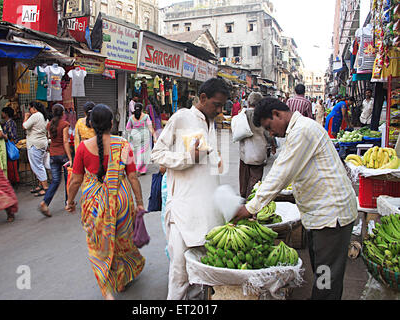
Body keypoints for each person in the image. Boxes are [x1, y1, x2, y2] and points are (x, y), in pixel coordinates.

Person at [232, 98, 357, 300]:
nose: (271, 134)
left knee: (326, 276)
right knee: (321, 272)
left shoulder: (303, 131)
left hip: (332, 216)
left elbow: (281, 172)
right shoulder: (298, 131)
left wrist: (251, 207)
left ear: (277, 114)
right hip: (321, 216)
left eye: (269, 127)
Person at [151, 78, 228, 300]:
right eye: (217, 104)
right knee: (180, 274)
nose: (220, 110)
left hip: (207, 214)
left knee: (200, 274)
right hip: (184, 213)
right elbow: (157, 154)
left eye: (223, 105)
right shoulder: (181, 117)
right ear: (202, 98)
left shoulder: (210, 122)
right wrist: (188, 158)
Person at [65, 104, 146, 300]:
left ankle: (107, 290)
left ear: (91, 124)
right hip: (122, 200)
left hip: (94, 203)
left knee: (98, 244)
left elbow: (75, 180)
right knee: (121, 240)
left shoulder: (83, 148)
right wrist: (139, 202)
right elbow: (133, 176)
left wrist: (70, 201)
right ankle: (122, 279)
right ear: (112, 123)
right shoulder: (123, 144)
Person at [238, 92, 276, 198]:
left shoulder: (242, 114)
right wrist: (273, 145)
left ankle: (243, 200)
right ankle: (250, 202)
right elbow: (269, 134)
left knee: (244, 179)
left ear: (249, 102)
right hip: (258, 151)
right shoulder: (262, 116)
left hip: (244, 152)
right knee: (255, 180)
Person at [39, 104, 73, 217]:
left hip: (53, 155)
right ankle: (68, 202)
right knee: (68, 179)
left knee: (55, 181)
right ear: (63, 113)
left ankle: (45, 202)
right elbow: (65, 141)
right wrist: (70, 157)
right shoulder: (65, 124)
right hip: (62, 154)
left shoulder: (49, 125)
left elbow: (50, 138)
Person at [23, 101, 49, 197]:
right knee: (40, 164)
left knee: (37, 166)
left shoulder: (35, 115)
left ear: (33, 108)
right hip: (42, 143)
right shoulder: (43, 116)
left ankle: (45, 188)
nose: (29, 110)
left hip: (34, 144)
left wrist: (25, 117)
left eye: (29, 108)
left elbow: (25, 126)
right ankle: (40, 185)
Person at [126, 103, 156, 175]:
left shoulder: (131, 118)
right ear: (142, 109)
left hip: (135, 136)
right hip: (144, 136)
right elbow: (150, 127)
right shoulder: (146, 116)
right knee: (143, 153)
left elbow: (128, 128)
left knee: (136, 153)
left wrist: (131, 134)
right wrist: (154, 136)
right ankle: (140, 169)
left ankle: (137, 168)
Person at [1, 106, 19, 186]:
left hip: (10, 144)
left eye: (3, 112)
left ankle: (14, 179)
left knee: (12, 162)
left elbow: (12, 135)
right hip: (9, 144)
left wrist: (5, 136)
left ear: (6, 114)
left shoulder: (10, 123)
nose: (1, 114)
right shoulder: (7, 122)